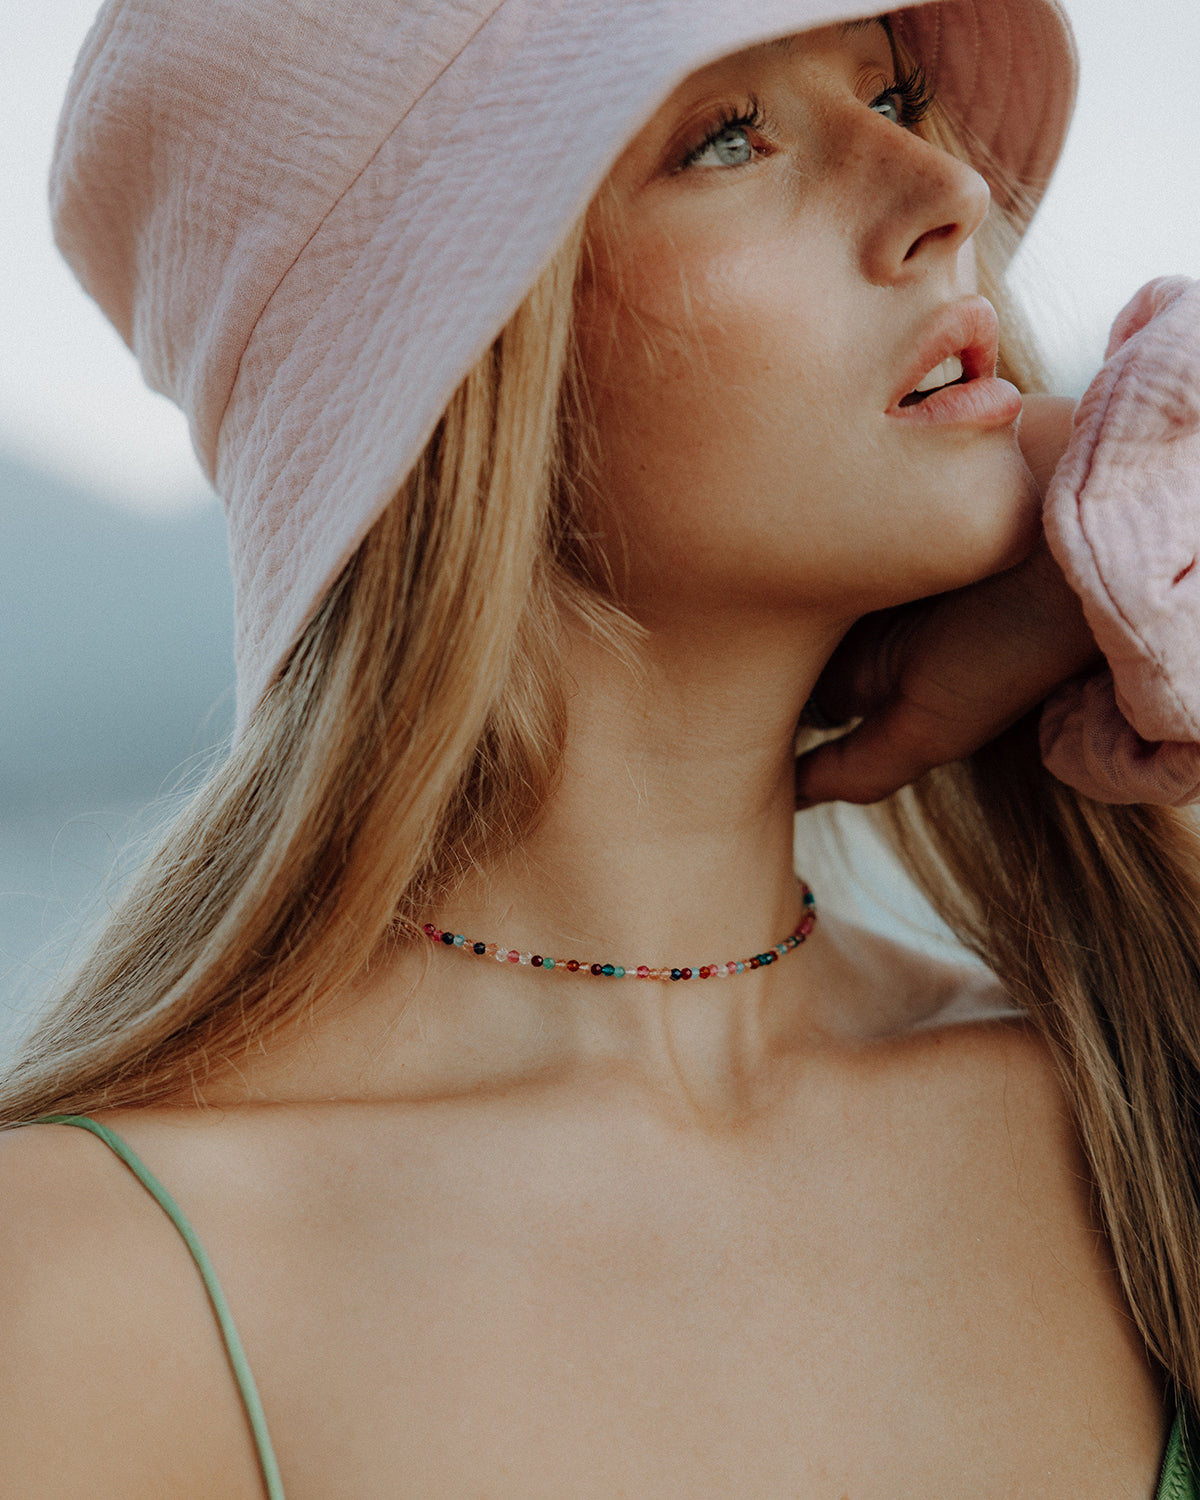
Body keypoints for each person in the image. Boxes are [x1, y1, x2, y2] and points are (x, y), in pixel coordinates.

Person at [3, 0, 1200, 1494]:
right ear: (463, 378)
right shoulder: (87, 1290)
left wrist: (1152, 524)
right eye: (725, 138)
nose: (945, 193)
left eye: (894, 94)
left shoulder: (1145, 1064)